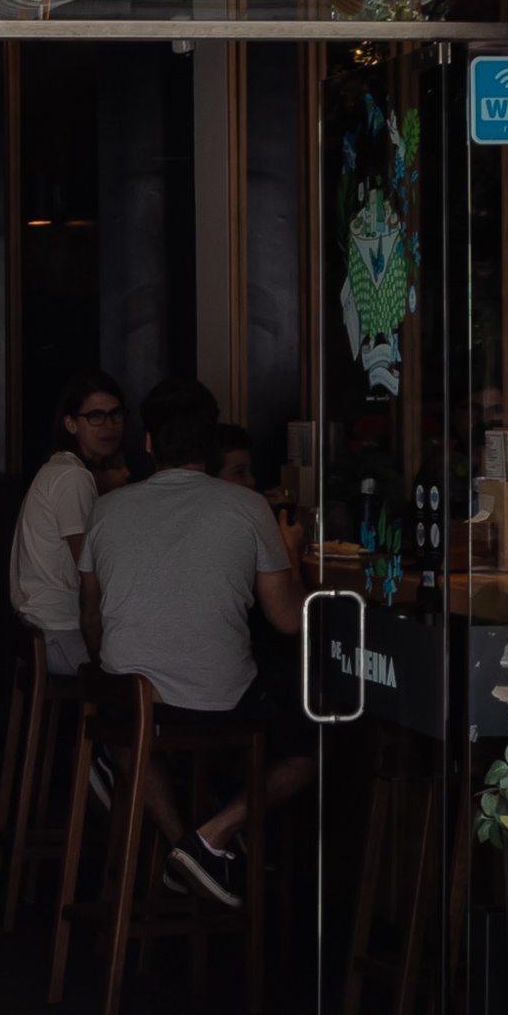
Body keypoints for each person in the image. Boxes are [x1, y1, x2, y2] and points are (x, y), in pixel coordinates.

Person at [83, 379, 301, 907]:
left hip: (127, 707)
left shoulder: (107, 510)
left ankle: (188, 845)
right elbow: (289, 620)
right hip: (218, 707)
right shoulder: (248, 507)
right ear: (209, 447)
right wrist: (289, 551)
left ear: (150, 443)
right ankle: (213, 836)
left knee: (133, 737)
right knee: (319, 729)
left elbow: (90, 619)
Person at [9, 375, 129, 677]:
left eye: (115, 414)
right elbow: (87, 563)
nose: (109, 425)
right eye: (95, 416)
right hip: (57, 629)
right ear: (71, 424)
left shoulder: (65, 469)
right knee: (137, 673)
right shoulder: (71, 476)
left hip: (40, 624)